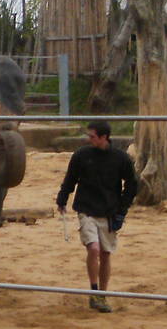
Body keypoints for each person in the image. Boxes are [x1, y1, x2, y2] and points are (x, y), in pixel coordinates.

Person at [55, 120, 139, 312]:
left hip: (109, 212)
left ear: (104, 137)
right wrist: (62, 199)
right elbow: (70, 179)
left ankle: (102, 294)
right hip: (86, 210)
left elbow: (131, 185)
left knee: (105, 254)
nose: (88, 139)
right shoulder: (81, 155)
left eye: (92, 136)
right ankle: (93, 291)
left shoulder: (121, 158)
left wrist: (122, 211)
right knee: (93, 248)